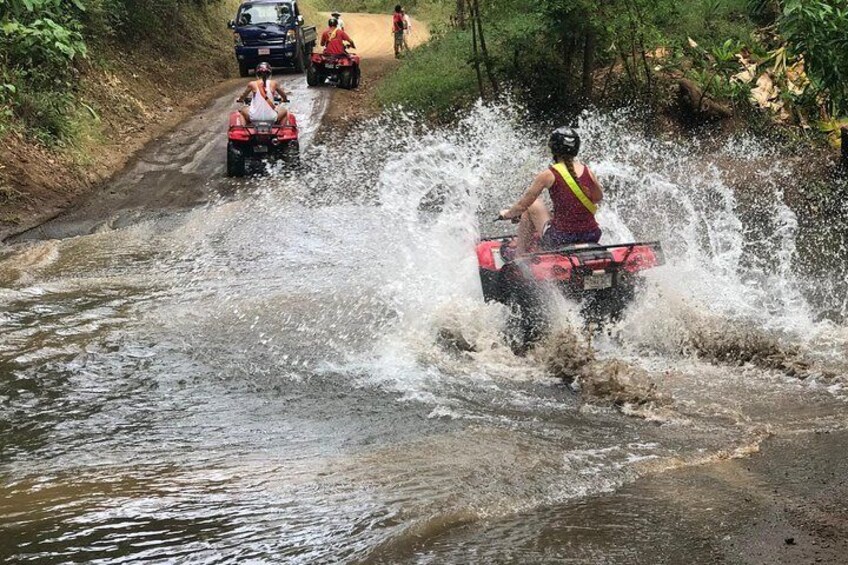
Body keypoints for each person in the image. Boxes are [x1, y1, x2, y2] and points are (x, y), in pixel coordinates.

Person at [498, 127, 604, 255]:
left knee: (532, 205)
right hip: (592, 235)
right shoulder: (588, 171)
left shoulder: (548, 174)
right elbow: (597, 198)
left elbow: (522, 205)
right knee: (542, 211)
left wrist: (507, 214)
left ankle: (519, 256)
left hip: (562, 238)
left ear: (553, 148)